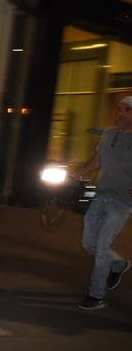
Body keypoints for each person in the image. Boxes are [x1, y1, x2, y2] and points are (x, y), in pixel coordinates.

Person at [74, 96, 132, 310]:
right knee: (89, 244)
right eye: (119, 109)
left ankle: (96, 295)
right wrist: (79, 172)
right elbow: (98, 159)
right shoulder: (109, 134)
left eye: (126, 109)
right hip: (99, 196)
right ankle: (120, 264)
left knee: (101, 247)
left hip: (122, 201)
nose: (120, 112)